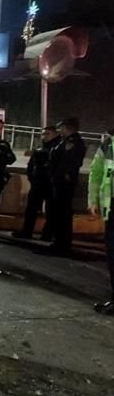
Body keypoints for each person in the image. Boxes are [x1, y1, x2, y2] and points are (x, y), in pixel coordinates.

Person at [46, 117, 87, 254]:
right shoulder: (65, 141)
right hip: (59, 181)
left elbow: (71, 162)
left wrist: (65, 174)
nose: (60, 130)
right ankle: (59, 240)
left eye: (62, 128)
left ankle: (62, 243)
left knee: (63, 212)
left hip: (64, 183)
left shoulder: (75, 143)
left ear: (68, 128)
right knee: (59, 212)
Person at [12, 126, 60, 240]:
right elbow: (31, 165)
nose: (44, 136)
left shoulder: (58, 148)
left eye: (47, 134)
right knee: (31, 209)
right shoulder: (40, 148)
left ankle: (47, 234)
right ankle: (27, 232)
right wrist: (32, 178)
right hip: (37, 183)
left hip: (50, 184)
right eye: (43, 134)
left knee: (50, 211)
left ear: (55, 134)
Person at [89, 130, 114, 314]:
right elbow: (96, 173)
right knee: (112, 257)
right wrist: (92, 200)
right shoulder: (107, 145)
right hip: (111, 210)